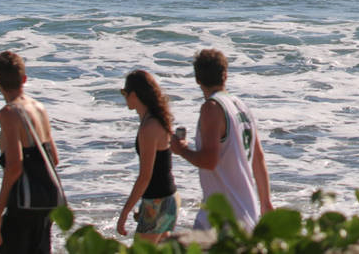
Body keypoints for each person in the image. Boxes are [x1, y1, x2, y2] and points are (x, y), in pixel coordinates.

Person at [170, 49, 272, 231]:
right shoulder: (241, 106)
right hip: (248, 211)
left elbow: (209, 161)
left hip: (222, 218)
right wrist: (265, 202)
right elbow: (258, 158)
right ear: (225, 75)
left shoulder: (212, 108)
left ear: (197, 79)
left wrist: (181, 150)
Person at [0, 50, 59, 253]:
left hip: (23, 202)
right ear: (24, 79)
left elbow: (14, 167)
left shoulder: (9, 112)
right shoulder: (39, 108)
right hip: (47, 200)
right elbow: (53, 158)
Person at [117, 70, 179, 243]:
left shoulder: (148, 127)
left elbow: (145, 176)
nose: (124, 98)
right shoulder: (156, 120)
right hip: (168, 198)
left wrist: (124, 213)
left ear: (134, 95)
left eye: (124, 93)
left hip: (158, 203)